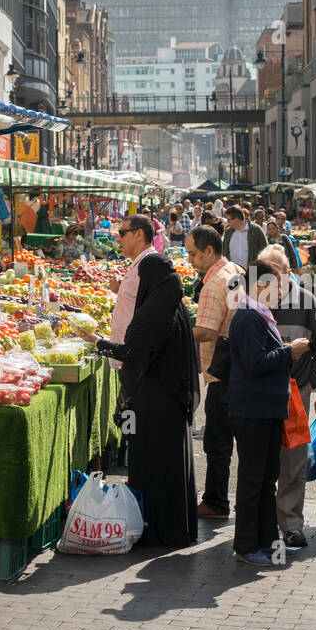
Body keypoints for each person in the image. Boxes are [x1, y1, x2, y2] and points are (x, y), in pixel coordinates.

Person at [77, 254, 199, 549]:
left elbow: (133, 354)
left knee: (152, 465)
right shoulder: (174, 305)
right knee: (170, 468)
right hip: (170, 401)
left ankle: (155, 529)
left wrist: (97, 342)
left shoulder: (154, 312)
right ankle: (173, 528)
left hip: (154, 403)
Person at [229, 259, 310, 566]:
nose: (281, 293)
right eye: (278, 287)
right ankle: (246, 544)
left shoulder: (260, 315)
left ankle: (267, 541)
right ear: (260, 286)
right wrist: (290, 351)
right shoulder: (249, 316)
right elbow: (255, 362)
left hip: (266, 409)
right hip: (253, 411)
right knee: (253, 480)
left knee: (266, 480)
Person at [258, 245, 316, 549]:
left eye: (276, 271)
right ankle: (262, 522)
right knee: (261, 458)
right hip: (261, 390)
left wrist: (309, 381)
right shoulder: (253, 302)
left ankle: (290, 524)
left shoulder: (306, 301)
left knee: (293, 460)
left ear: (288, 272)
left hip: (294, 392)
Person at [186, 226, 246, 518]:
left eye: (193, 254)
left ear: (209, 250)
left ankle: (216, 501)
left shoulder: (213, 285)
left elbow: (206, 332)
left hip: (222, 372)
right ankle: (238, 502)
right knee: (239, 444)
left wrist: (176, 333)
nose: (189, 260)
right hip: (239, 367)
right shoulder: (233, 270)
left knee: (217, 443)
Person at [107, 214, 160, 370]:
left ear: (138, 234)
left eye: (122, 233)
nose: (118, 239)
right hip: (128, 354)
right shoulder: (140, 262)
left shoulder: (150, 264)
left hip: (134, 356)